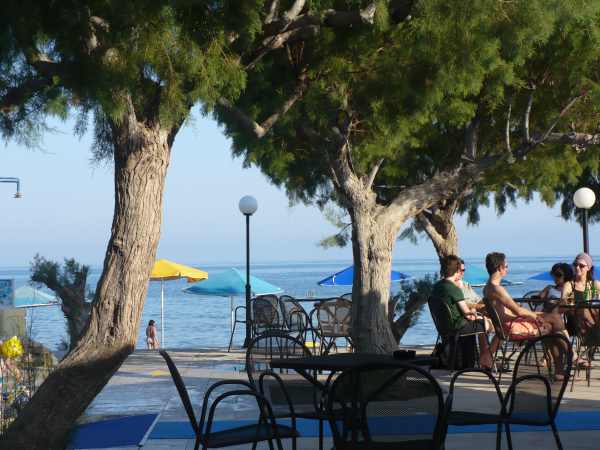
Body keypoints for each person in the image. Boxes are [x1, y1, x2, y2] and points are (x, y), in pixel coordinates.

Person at [483, 252, 566, 339]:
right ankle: (569, 351)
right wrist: (536, 317)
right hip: (511, 327)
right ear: (500, 268)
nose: (507, 269)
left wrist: (534, 315)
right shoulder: (497, 289)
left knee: (550, 320)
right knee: (554, 320)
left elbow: (505, 311)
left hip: (502, 327)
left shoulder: (487, 288)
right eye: (506, 266)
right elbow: (518, 311)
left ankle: (563, 351)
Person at [432, 255, 494, 369]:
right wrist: (479, 317)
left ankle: (484, 358)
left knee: (484, 322)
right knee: (492, 325)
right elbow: (467, 314)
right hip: (458, 327)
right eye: (461, 270)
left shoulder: (436, 286)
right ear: (456, 270)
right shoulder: (454, 289)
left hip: (443, 327)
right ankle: (486, 359)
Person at [571, 252, 600, 338]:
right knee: (585, 308)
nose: (577, 267)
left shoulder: (594, 284)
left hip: (594, 318)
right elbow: (566, 306)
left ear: (589, 268)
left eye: (581, 266)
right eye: (575, 264)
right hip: (576, 320)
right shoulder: (570, 285)